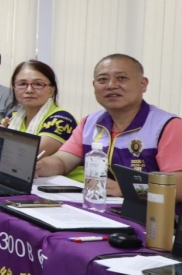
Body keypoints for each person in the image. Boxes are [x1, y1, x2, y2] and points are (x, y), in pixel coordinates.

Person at [36, 54, 182, 198]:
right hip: (97, 206)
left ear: (143, 84)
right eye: (102, 80)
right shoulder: (90, 123)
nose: (111, 85)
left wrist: (128, 189)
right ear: (94, 86)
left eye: (121, 78)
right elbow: (62, 162)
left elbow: (178, 186)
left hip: (148, 211)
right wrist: (39, 166)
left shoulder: (168, 126)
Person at [0, 61, 81, 175]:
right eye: (22, 84)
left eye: (38, 84)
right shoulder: (15, 116)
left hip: (63, 184)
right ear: (14, 88)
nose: (29, 90)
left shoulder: (61, 119)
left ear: (51, 90)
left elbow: (22, 157)